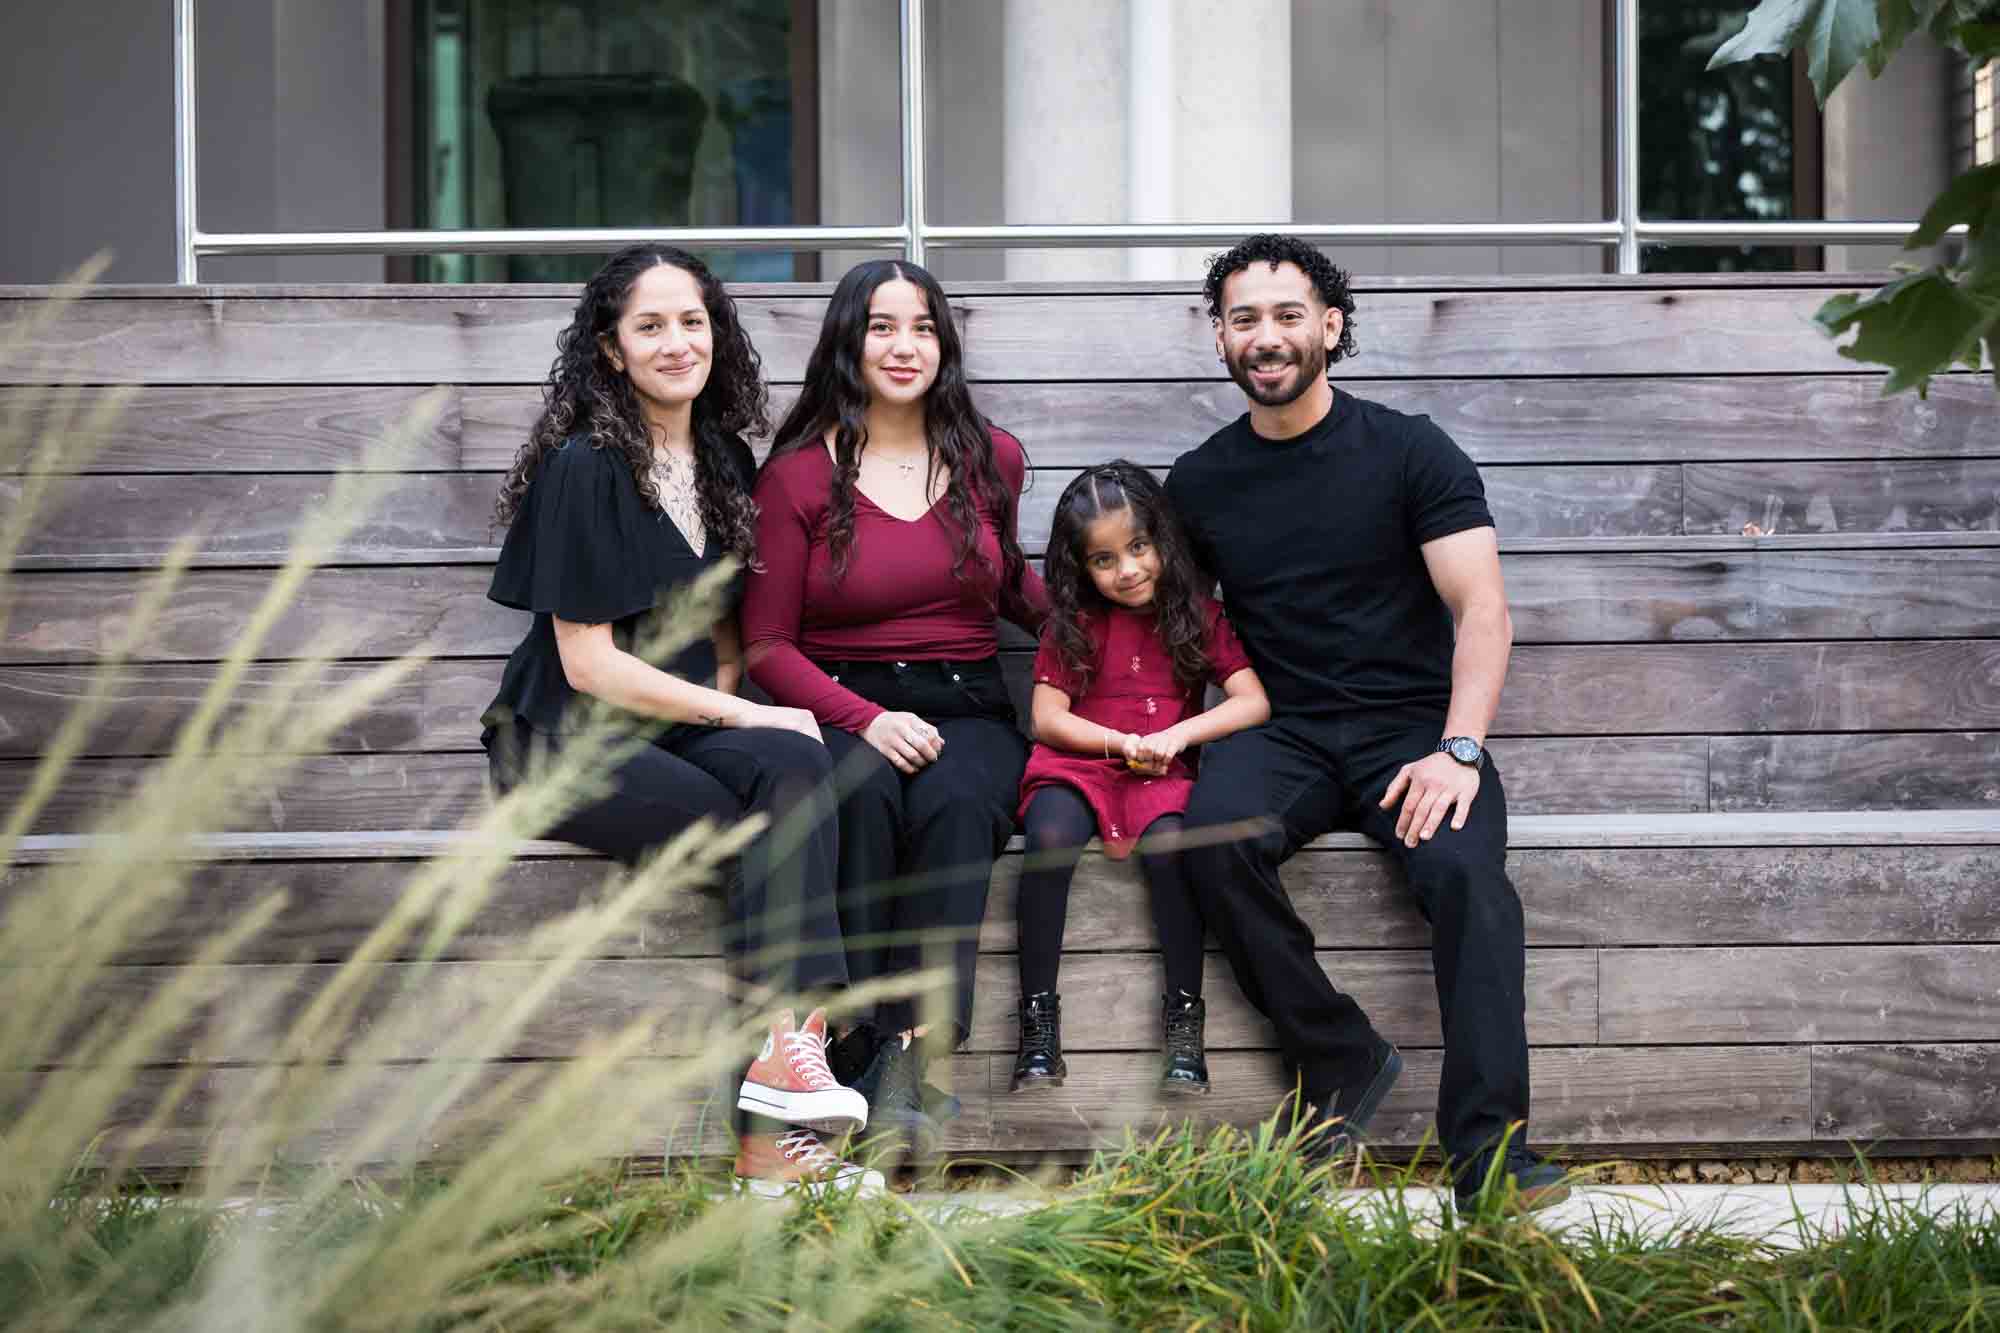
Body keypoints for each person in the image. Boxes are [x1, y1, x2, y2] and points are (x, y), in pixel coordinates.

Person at [1166, 234, 1568, 1213]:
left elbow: (1482, 609)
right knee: (1203, 840)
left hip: (1411, 732)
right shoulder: (1197, 482)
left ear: (1331, 327)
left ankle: (1489, 1156)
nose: (1265, 337)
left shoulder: (1407, 450)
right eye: (1243, 318)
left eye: (1286, 314)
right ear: (1218, 338)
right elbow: (1179, 640)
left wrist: (1459, 749)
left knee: (1467, 878)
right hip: (1282, 731)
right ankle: (1338, 1053)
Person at [479, 245, 879, 1198]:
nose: (675, 342)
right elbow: (588, 661)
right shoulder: (585, 467)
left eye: (691, 321)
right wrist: (749, 713)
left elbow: (725, 634)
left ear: (717, 335)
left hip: (676, 726)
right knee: (774, 819)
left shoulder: (724, 459)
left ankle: (788, 1059)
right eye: (649, 326)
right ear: (611, 351)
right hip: (569, 740)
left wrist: (752, 717)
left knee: (797, 774)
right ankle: (785, 1115)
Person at [742, 258, 1048, 1151]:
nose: (904, 345)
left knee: (960, 801)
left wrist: (1097, 630)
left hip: (967, 700)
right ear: (849, 341)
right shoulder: (797, 478)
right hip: (844, 699)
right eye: (882, 326)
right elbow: (765, 645)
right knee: (863, 793)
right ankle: (853, 1042)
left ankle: (915, 1056)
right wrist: (865, 718)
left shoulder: (992, 457)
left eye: (922, 327)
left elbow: (1009, 583)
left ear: (944, 343)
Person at [1008, 462, 1269, 1097]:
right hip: (1078, 766)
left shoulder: (1197, 615)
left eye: (1138, 547)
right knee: (1047, 838)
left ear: (1162, 541)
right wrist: (1118, 741)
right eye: (1104, 559)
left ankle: (1184, 1021)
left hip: (1159, 771)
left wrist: (1179, 736)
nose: (1127, 570)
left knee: (1174, 849)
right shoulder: (1074, 625)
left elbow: (1252, 701)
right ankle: (1038, 1021)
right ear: (1079, 568)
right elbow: (1047, 719)